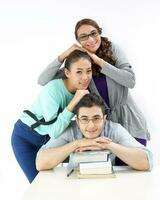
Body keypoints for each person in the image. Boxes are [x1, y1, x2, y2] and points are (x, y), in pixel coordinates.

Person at [37, 18, 150, 152]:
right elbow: (42, 80)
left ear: (99, 33)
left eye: (94, 33)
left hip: (131, 122)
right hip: (107, 128)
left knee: (136, 167)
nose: (90, 39)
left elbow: (130, 80)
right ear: (78, 41)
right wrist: (65, 54)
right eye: (83, 37)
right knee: (110, 169)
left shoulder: (112, 49)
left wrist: (99, 61)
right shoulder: (80, 63)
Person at [11, 50, 93, 183]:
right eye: (79, 72)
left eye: (88, 71)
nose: (85, 77)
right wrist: (73, 102)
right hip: (26, 137)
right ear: (67, 73)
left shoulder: (84, 91)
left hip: (48, 142)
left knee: (57, 183)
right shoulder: (52, 90)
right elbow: (54, 132)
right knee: (39, 185)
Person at [36, 93, 153, 172]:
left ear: (104, 118)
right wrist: (78, 143)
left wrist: (107, 144)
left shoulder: (114, 129)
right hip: (74, 186)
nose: (91, 125)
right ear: (77, 120)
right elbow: (40, 163)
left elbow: (147, 162)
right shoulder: (69, 130)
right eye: (84, 119)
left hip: (106, 186)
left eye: (96, 118)